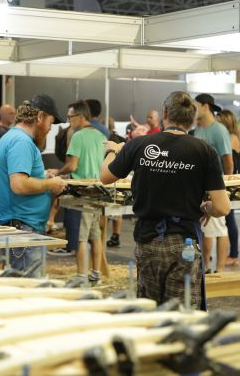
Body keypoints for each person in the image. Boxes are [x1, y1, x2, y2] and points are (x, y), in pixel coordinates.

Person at [100, 91, 230, 308]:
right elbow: (223, 207)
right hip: (184, 243)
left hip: (148, 241)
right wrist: (207, 208)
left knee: (150, 312)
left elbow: (105, 177)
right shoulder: (205, 151)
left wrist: (113, 151)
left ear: (165, 112)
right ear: (192, 118)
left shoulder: (139, 145)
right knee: (182, 314)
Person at [0, 95, 67, 272]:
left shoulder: (14, 138)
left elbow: (20, 177)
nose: (50, 129)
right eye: (51, 122)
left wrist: (41, 176)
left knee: (20, 285)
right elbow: (18, 185)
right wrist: (50, 185)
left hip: (20, 225)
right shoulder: (22, 142)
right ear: (40, 116)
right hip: (23, 228)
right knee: (27, 290)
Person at [49, 101, 108, 285]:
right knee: (95, 234)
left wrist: (57, 172)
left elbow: (73, 165)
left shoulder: (78, 135)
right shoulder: (100, 135)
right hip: (98, 191)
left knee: (82, 238)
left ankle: (81, 276)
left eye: (70, 117)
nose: (68, 121)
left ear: (81, 117)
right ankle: (95, 274)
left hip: (82, 193)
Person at [194, 93, 233, 274]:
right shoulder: (198, 129)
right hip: (202, 186)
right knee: (207, 228)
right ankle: (207, 267)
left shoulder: (219, 130)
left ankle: (218, 269)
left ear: (205, 106)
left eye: (196, 105)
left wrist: (224, 187)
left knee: (219, 227)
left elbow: (228, 161)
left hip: (216, 186)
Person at [216, 109, 240, 268]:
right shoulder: (231, 138)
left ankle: (234, 255)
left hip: (229, 182)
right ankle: (227, 253)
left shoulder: (231, 138)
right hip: (226, 181)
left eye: (219, 121)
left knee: (229, 219)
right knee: (225, 219)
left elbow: (229, 163)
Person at [106, 116, 126, 248]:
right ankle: (116, 235)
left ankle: (107, 233)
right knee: (118, 210)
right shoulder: (122, 140)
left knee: (110, 210)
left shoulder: (108, 141)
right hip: (121, 179)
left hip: (112, 179)